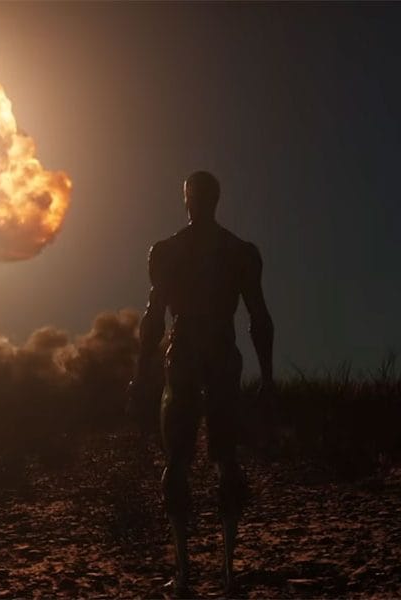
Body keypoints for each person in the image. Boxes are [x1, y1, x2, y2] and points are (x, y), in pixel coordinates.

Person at [126, 170, 274, 597]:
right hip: (215, 354)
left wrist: (141, 371)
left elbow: (154, 318)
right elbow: (259, 319)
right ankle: (222, 572)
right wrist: (267, 377)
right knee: (220, 457)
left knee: (183, 458)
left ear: (188, 199)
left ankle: (189, 572)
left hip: (190, 353)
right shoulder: (238, 251)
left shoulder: (171, 251)